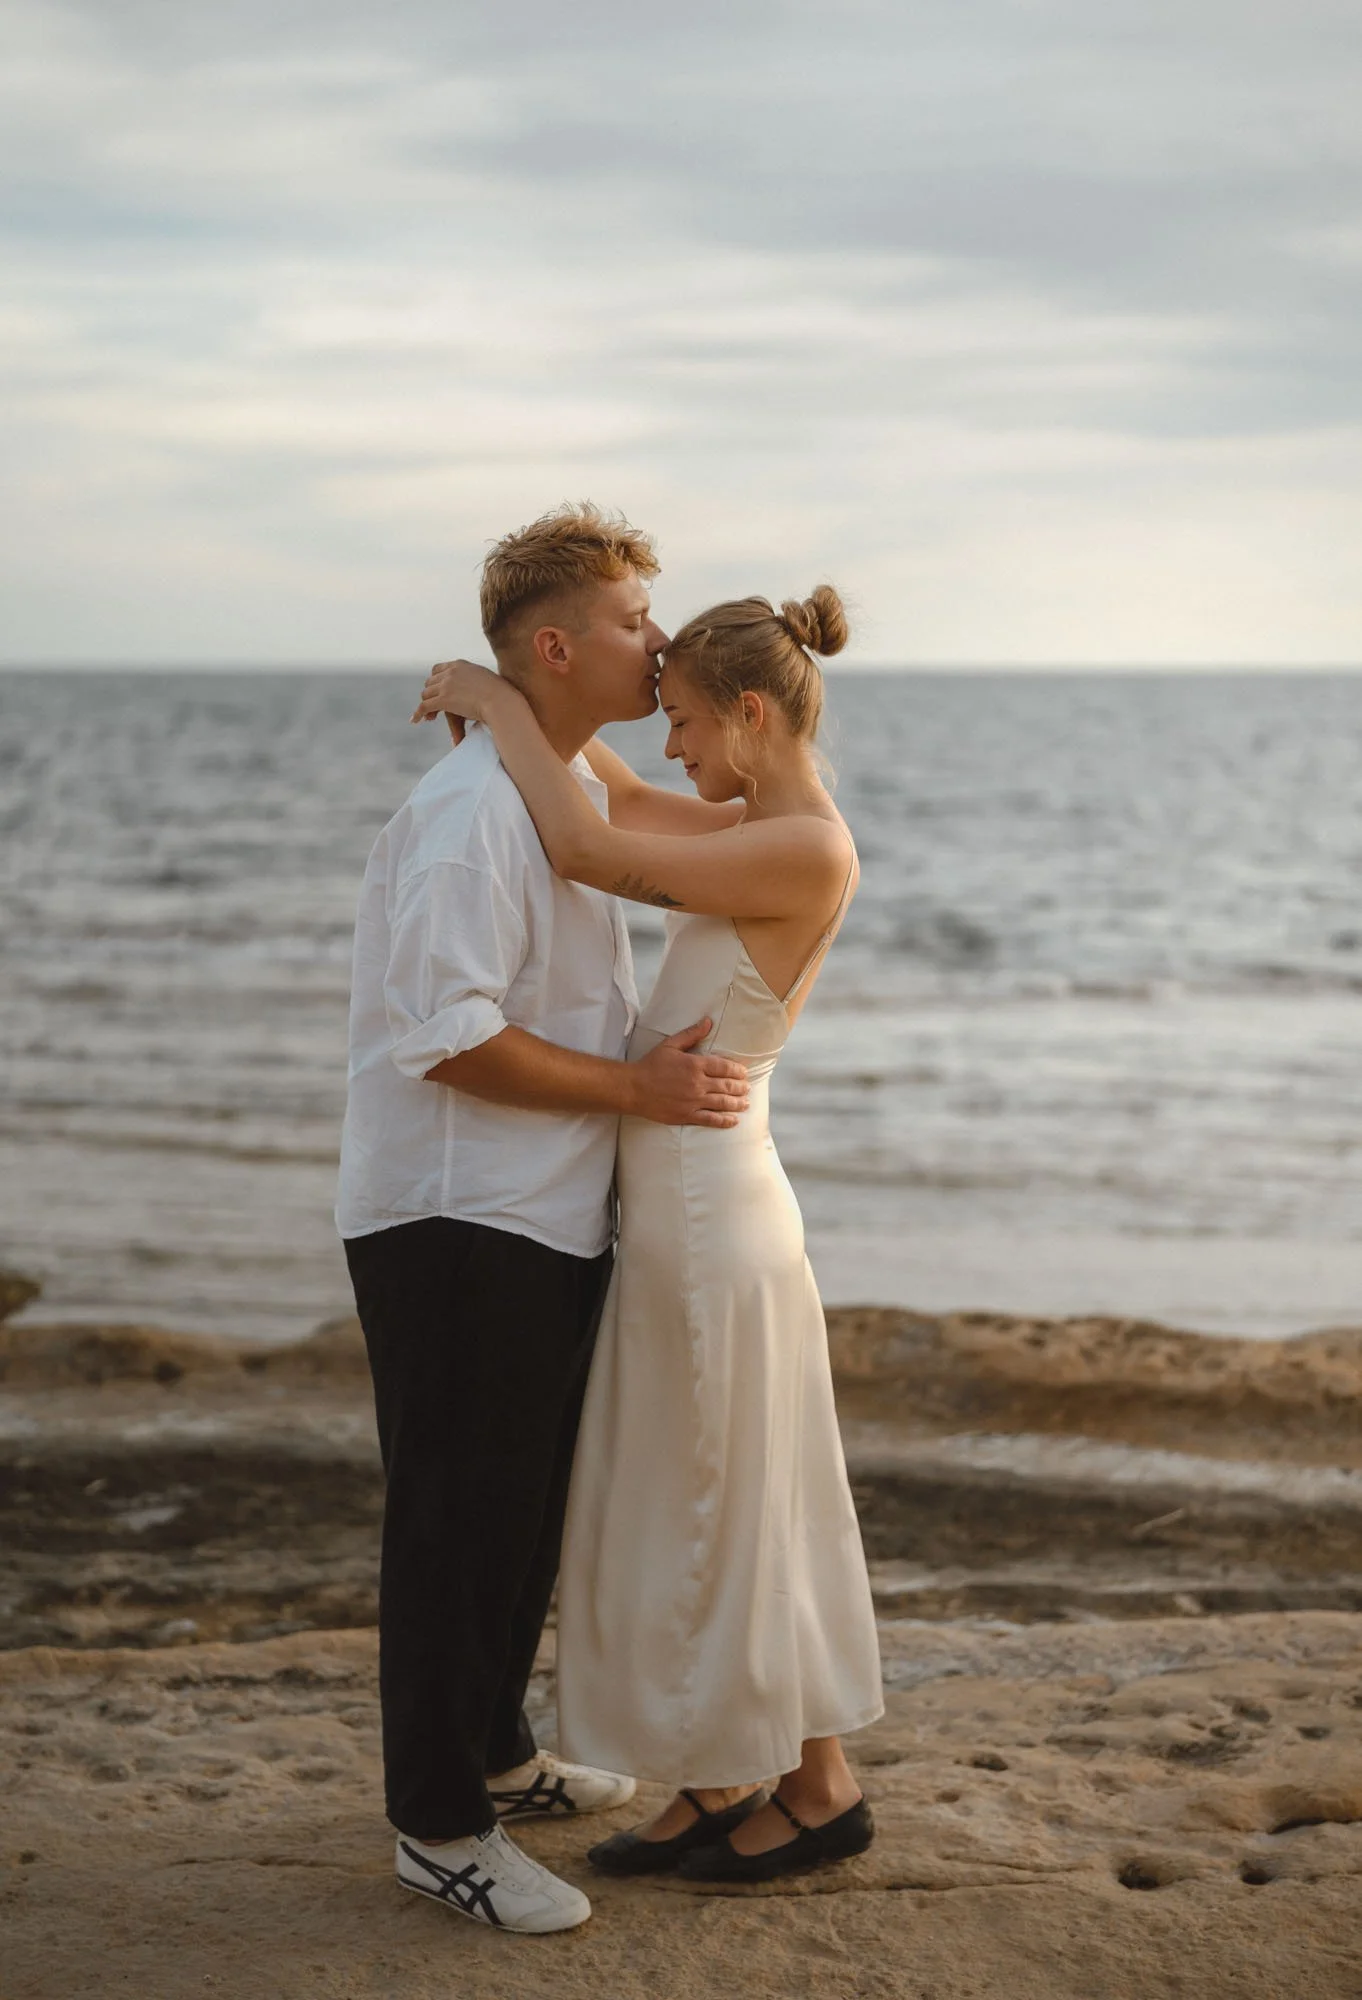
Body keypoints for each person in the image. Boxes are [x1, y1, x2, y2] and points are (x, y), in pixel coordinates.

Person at [412, 581, 884, 1888]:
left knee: (712, 1497)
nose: (669, 746)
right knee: (726, 1494)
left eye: (681, 721)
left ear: (748, 714)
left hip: (705, 1205)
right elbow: (609, 802)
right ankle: (747, 1778)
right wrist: (539, 705)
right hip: (695, 1195)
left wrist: (500, 700)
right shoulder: (758, 821)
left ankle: (802, 1784)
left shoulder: (805, 847)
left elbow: (587, 851)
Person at [336, 503, 752, 1937]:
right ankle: (436, 1826)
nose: (660, 640)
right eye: (638, 620)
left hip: (541, 1208)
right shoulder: (467, 820)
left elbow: (698, 819)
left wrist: (491, 698)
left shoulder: (556, 774)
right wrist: (638, 1091)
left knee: (518, 1517)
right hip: (457, 1214)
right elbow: (445, 1041)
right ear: (561, 645)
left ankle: (497, 1760)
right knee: (455, 1524)